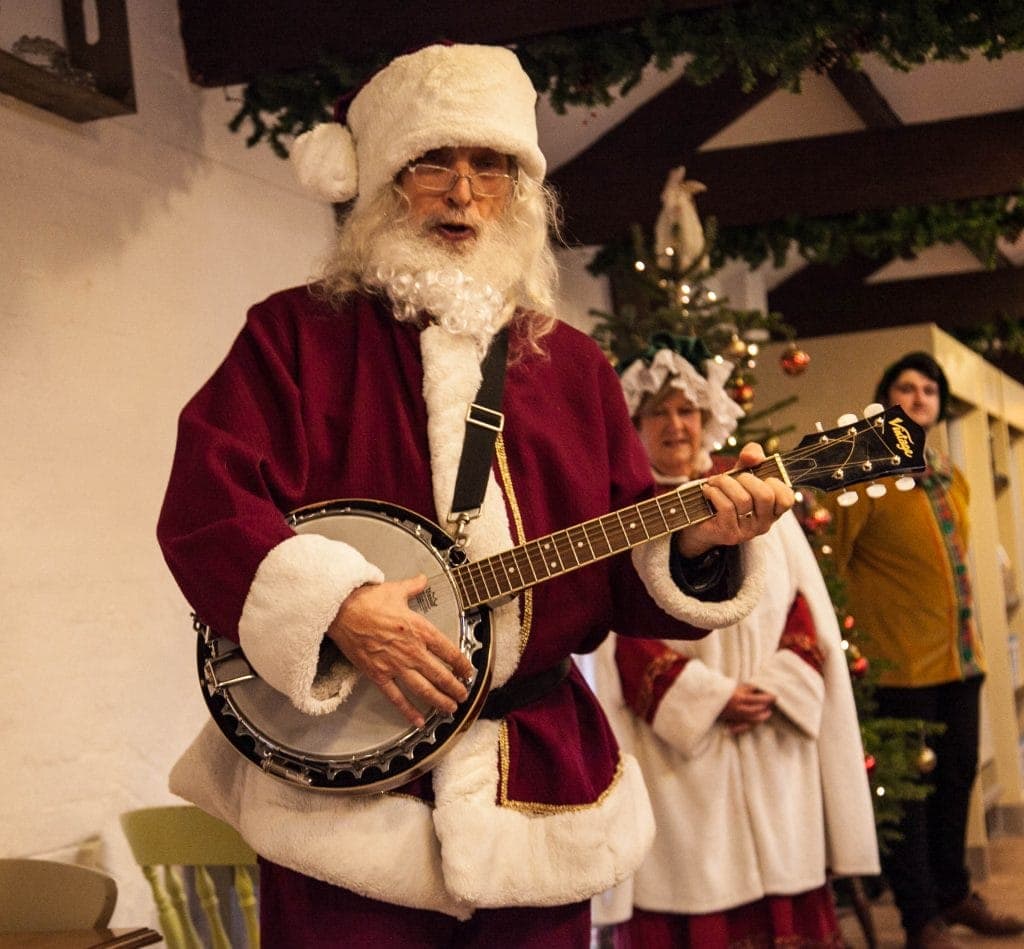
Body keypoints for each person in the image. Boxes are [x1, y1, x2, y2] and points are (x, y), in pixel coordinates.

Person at [156, 44, 795, 947]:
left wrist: (700, 540)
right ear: (381, 182)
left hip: (532, 789)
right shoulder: (293, 336)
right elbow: (205, 507)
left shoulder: (572, 366)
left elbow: (619, 569)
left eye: (489, 164)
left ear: (519, 190)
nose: (463, 192)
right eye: (433, 161)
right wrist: (336, 605)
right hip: (340, 806)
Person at [591, 334, 880, 948]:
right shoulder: (622, 514)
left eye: (688, 410)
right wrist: (706, 697)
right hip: (677, 756)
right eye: (659, 412)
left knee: (786, 875)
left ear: (709, 416)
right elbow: (619, 632)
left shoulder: (751, 495)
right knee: (697, 885)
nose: (676, 425)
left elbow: (803, 607)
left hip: (775, 735)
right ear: (634, 422)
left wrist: (773, 688)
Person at [824, 351, 1024, 949]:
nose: (918, 398)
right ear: (885, 397)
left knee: (955, 780)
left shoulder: (949, 474)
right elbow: (833, 560)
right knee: (908, 797)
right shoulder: (860, 470)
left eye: (929, 391)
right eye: (905, 388)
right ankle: (919, 920)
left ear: (938, 407)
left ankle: (954, 894)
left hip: (959, 659)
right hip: (897, 667)